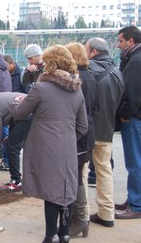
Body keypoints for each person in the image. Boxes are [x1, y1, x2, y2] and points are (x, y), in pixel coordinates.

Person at [9, 45, 88, 243]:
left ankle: (50, 234)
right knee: (65, 187)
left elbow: (19, 113)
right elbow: (83, 126)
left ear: (50, 63)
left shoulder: (40, 88)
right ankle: (65, 233)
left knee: (50, 189)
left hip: (44, 145)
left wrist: (16, 101)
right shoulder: (77, 90)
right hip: (68, 145)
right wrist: (67, 138)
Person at [84, 37, 125, 227]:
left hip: (88, 129)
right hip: (107, 129)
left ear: (93, 52)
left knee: (82, 171)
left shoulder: (88, 70)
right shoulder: (118, 72)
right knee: (104, 170)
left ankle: (81, 214)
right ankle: (107, 214)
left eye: (86, 50)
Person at [65, 43, 97, 237]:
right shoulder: (89, 77)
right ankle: (78, 219)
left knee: (74, 177)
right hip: (85, 134)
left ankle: (80, 220)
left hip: (79, 136)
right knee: (75, 176)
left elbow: (80, 113)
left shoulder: (79, 80)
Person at [115, 25, 141, 219]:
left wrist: (125, 114)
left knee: (135, 162)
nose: (118, 45)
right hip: (135, 117)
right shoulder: (134, 59)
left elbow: (132, 93)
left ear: (130, 41)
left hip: (134, 119)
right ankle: (134, 197)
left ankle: (136, 204)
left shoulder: (136, 61)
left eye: (120, 41)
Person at [0, 55, 32, 192]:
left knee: (14, 146)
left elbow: (28, 95)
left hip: (23, 114)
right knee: (12, 144)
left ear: (11, 63)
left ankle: (16, 180)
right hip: (14, 115)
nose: (3, 68)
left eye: (5, 65)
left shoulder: (22, 75)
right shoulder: (6, 74)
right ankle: (18, 179)